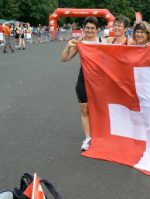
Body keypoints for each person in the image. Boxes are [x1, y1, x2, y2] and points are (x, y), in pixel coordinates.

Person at [61, 17, 101, 151]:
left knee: (100, 110)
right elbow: (64, 59)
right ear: (84, 28)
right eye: (88, 27)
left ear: (97, 29)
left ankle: (101, 136)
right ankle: (88, 138)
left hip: (100, 82)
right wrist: (68, 45)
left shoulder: (104, 41)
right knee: (85, 111)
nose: (90, 30)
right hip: (83, 80)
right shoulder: (80, 43)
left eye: (93, 28)